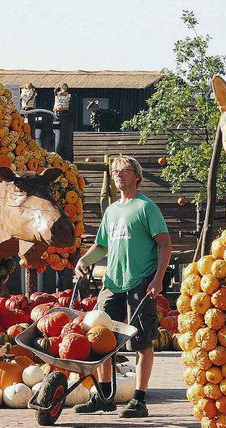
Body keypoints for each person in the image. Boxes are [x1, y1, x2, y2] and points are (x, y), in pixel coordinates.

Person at [73, 155, 171, 418]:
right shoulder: (112, 210)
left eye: (124, 171)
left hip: (140, 281)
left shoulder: (145, 207)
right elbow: (102, 245)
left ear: (137, 177)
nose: (118, 174)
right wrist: (83, 259)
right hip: (112, 282)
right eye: (115, 171)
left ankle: (139, 399)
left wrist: (158, 278)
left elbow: (164, 243)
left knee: (140, 341)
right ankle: (105, 396)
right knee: (100, 338)